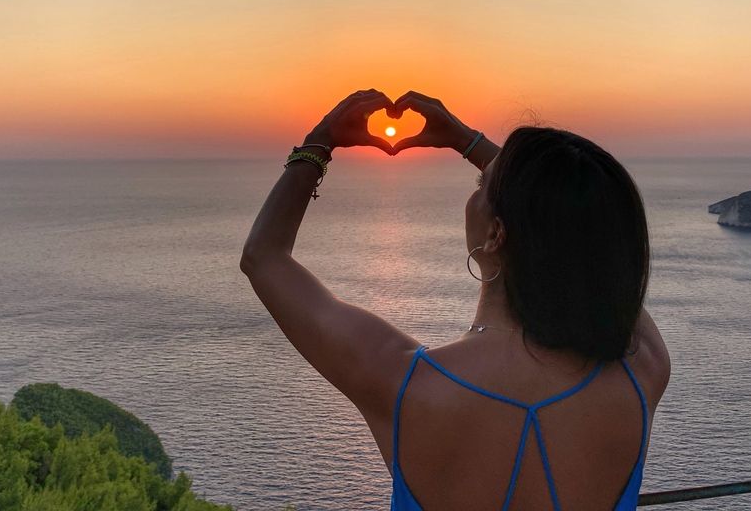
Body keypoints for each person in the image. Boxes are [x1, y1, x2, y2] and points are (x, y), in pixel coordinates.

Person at [241, 89, 670, 510]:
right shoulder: (641, 372)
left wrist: (321, 141)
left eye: (482, 184)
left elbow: (265, 258)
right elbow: (587, 245)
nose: (477, 186)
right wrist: (472, 145)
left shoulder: (405, 383)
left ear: (496, 233)